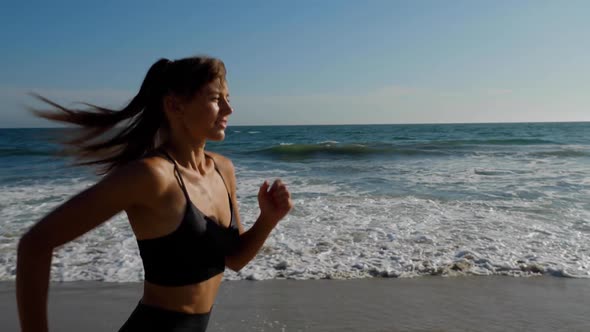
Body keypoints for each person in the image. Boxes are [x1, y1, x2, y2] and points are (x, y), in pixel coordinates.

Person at [16, 56, 293, 332]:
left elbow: (235, 259)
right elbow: (35, 243)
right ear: (174, 105)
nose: (228, 109)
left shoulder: (223, 169)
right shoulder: (151, 177)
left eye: (228, 98)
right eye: (215, 98)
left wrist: (268, 219)